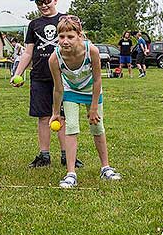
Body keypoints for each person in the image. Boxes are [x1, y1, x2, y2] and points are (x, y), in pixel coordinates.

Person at [10, 0, 83, 168]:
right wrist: (17, 73)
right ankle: (44, 155)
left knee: (63, 117)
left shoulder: (65, 21)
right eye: (39, 3)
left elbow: (79, 45)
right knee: (43, 117)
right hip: (40, 77)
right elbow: (28, 53)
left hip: (63, 77)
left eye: (47, 1)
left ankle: (67, 154)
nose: (44, 5)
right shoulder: (34, 25)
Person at [49, 15, 121, 188]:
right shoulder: (54, 58)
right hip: (71, 91)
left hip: (91, 91)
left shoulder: (92, 51)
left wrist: (94, 107)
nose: (65, 41)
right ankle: (71, 173)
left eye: (70, 36)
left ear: (79, 35)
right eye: (61, 37)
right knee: (71, 128)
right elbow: (58, 88)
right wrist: (56, 113)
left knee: (97, 127)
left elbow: (97, 80)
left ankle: (106, 167)